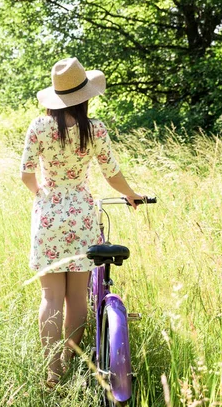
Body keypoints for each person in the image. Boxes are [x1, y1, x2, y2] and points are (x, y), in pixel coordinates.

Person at [20, 57, 143, 388]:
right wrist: (131, 195)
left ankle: (53, 371)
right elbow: (112, 174)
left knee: (50, 296)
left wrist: (42, 193)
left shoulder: (39, 127)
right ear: (84, 96)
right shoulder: (95, 129)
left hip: (48, 214)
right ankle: (71, 360)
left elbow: (26, 174)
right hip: (81, 212)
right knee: (77, 296)